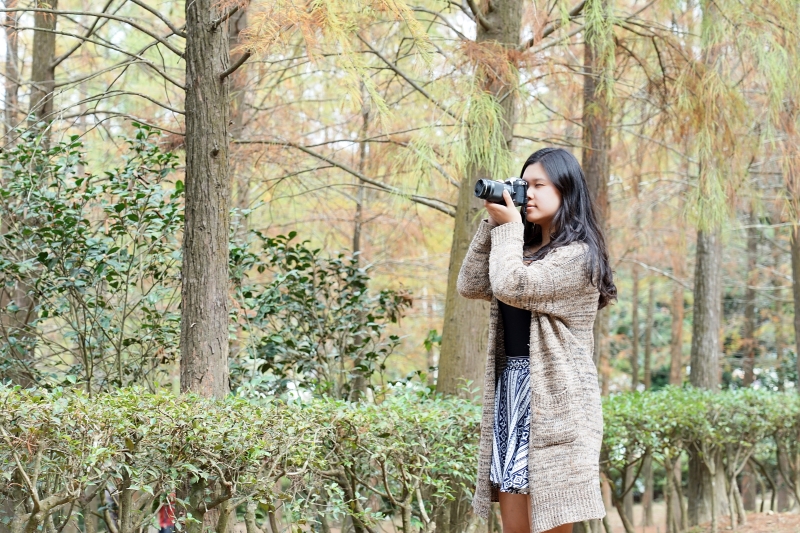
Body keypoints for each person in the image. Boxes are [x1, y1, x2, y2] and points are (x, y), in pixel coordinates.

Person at [457, 148, 617, 533]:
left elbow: (515, 285)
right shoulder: (521, 250)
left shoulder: (579, 257)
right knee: (515, 527)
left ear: (566, 191)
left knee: (550, 522)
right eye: (523, 185)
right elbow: (472, 284)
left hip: (556, 403)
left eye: (539, 185)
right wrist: (494, 224)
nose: (527, 193)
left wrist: (508, 230)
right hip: (512, 395)